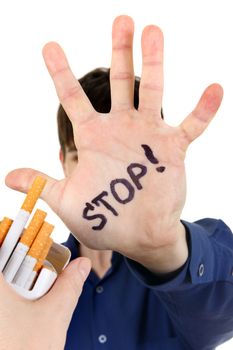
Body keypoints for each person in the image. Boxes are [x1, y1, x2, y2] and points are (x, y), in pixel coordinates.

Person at [3, 14, 233, 349]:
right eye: (82, 159)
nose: (100, 182)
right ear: (62, 162)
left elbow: (224, 311)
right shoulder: (22, 281)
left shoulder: (184, 279)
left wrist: (163, 249)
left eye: (125, 166)